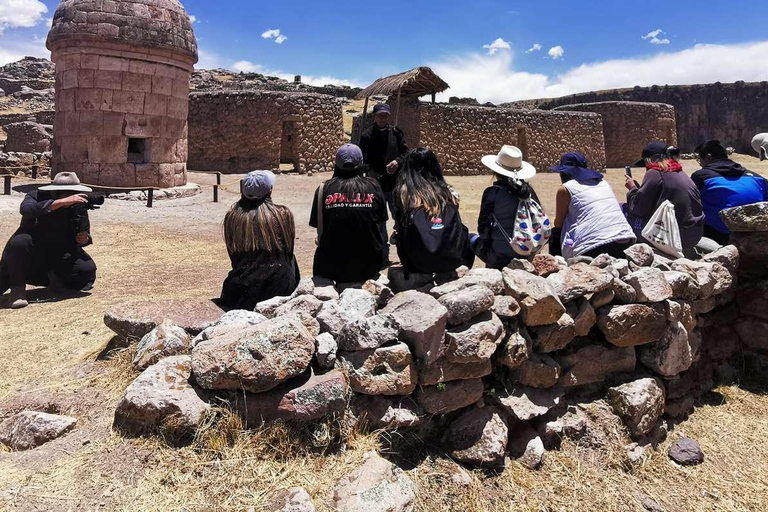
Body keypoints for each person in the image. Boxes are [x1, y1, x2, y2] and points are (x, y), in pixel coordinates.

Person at [0, 172, 97, 309]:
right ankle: (17, 290)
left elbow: (84, 231)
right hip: (31, 255)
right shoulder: (36, 195)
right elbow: (26, 209)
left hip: (59, 254)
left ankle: (54, 280)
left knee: (86, 270)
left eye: (71, 192)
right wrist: (59, 203)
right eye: (65, 193)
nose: (69, 196)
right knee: (20, 241)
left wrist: (85, 239)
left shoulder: (77, 205)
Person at [218, 171, 299, 311]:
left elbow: (234, 258)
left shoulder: (232, 217)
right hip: (280, 285)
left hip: (242, 288)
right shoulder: (283, 215)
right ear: (269, 190)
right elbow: (288, 251)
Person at [310, 144, 388, 283]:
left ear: (336, 164)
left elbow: (319, 227)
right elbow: (381, 224)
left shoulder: (324, 189)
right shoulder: (374, 186)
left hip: (331, 267)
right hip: (369, 266)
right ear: (361, 163)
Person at [391, 148, 474, 274]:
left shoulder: (403, 192)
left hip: (416, 262)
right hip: (451, 258)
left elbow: (399, 224)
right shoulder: (449, 192)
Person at [470, 145, 543, 269]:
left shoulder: (492, 193)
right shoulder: (528, 192)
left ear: (496, 171)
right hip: (526, 252)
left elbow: (484, 230)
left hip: (499, 256)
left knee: (468, 237)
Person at [551, 152, 636, 259]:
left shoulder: (566, 188)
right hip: (625, 241)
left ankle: (559, 268)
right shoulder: (602, 182)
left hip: (594, 247)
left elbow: (558, 223)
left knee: (555, 233)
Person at [625, 141, 705, 252]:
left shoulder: (655, 172)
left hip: (676, 238)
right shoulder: (679, 171)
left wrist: (632, 188)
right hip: (695, 234)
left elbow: (638, 208)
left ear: (650, 159)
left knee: (625, 212)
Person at [691, 140, 768, 245]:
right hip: (754, 236)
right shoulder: (757, 178)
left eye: (700, 159)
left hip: (716, 236)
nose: (700, 163)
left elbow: (690, 205)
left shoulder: (701, 177)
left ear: (708, 157)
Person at [358, 103, 409, 200]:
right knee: (375, 215)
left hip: (394, 184)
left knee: (398, 214)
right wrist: (369, 170)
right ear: (374, 116)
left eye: (385, 115)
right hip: (374, 186)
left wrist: (397, 162)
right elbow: (361, 159)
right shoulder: (366, 136)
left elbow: (406, 153)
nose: (383, 118)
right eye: (380, 115)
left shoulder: (396, 133)